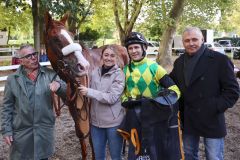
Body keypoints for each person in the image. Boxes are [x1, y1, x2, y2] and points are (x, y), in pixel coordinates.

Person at [170, 27, 240, 160]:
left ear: (202, 39)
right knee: (189, 155)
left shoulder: (220, 60)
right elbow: (171, 83)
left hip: (211, 117)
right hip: (188, 118)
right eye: (187, 40)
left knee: (213, 157)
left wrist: (215, 106)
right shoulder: (179, 62)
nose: (191, 43)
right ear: (183, 43)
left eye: (194, 39)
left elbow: (233, 91)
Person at [118, 32, 183, 160]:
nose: (133, 51)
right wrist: (127, 101)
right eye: (130, 48)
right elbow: (122, 93)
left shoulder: (155, 67)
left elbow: (175, 90)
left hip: (154, 117)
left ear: (144, 48)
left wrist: (158, 101)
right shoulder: (124, 70)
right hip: (134, 117)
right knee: (136, 151)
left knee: (154, 151)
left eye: (136, 47)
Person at [1, 44, 67, 160]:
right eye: (28, 56)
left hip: (43, 132)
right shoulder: (12, 80)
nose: (33, 58)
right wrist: (6, 130)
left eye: (34, 54)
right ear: (21, 61)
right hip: (21, 133)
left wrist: (59, 86)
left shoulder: (50, 74)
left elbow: (68, 94)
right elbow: (7, 107)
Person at [79, 45, 125, 160]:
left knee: (116, 157)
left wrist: (89, 92)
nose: (108, 58)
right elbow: (82, 88)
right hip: (96, 124)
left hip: (113, 124)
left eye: (112, 56)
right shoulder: (94, 72)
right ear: (102, 56)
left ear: (116, 58)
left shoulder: (119, 75)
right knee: (99, 157)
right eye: (106, 55)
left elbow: (111, 98)